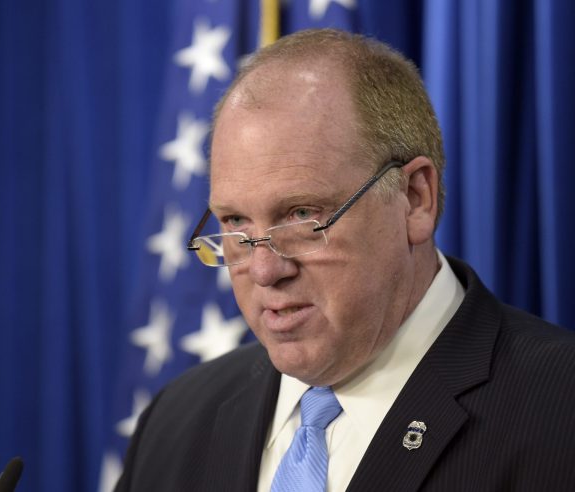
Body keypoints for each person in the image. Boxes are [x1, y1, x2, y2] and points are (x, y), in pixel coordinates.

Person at [115, 29, 575, 491]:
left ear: (415, 199)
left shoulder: (560, 412)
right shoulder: (175, 422)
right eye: (236, 224)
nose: (264, 270)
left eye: (301, 215)